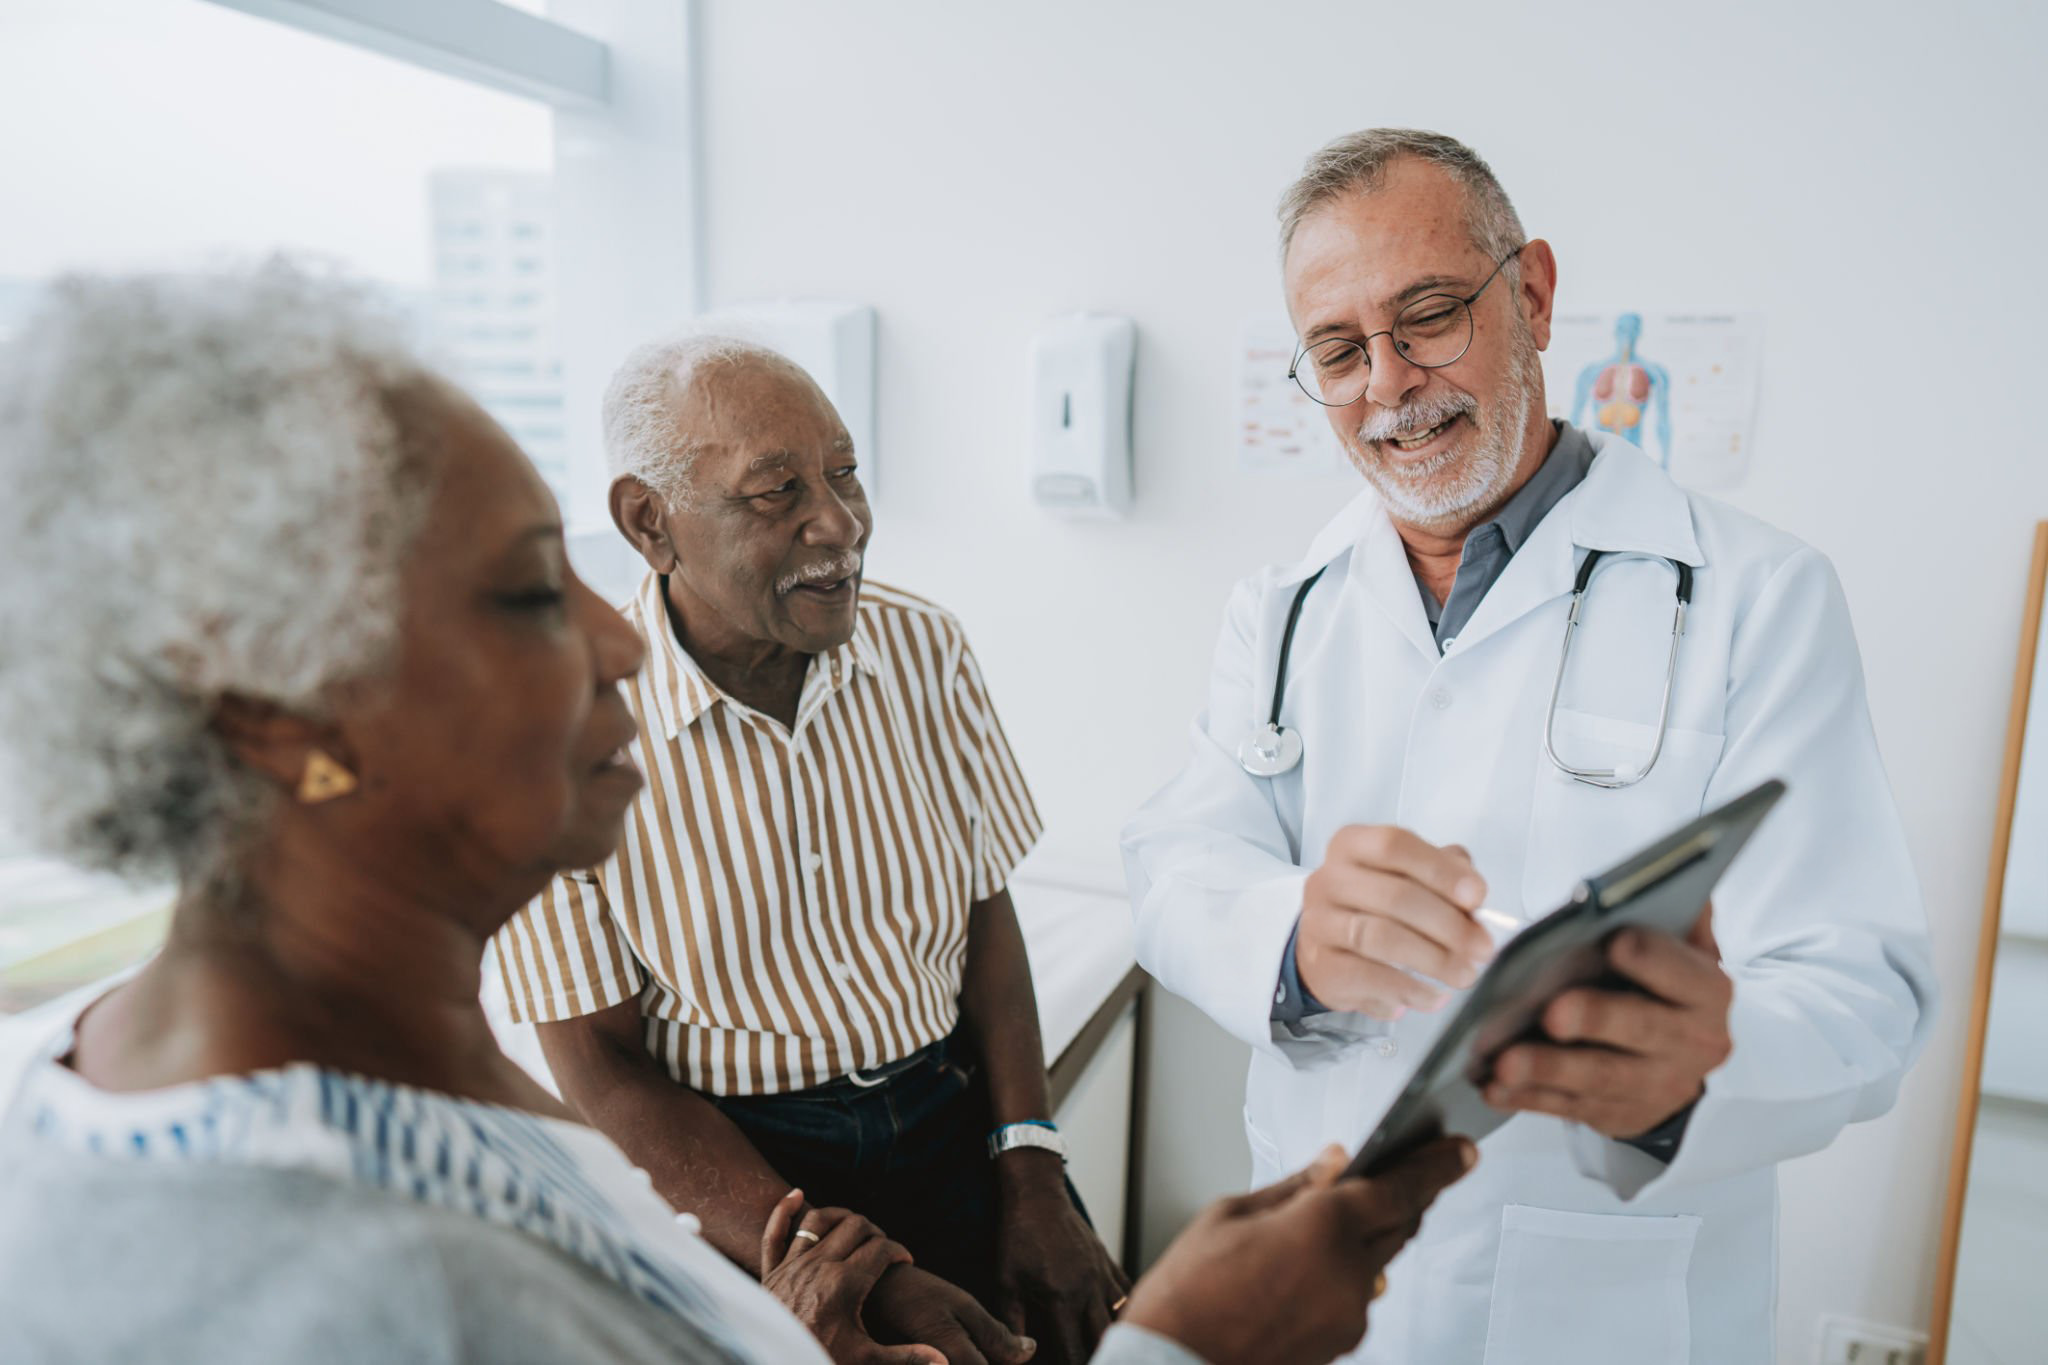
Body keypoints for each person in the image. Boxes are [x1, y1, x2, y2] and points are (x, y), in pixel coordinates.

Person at [0, 265, 1474, 1365]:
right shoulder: (362, 1287)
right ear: (281, 716)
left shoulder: (429, 1100)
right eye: (527, 591)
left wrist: (988, 1175)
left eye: (845, 477)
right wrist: (1198, 1346)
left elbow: (977, 910)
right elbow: (603, 1092)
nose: (618, 641)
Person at [1121, 129, 1938, 1365]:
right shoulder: (1282, 606)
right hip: (1321, 1274)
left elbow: (1862, 992)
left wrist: (1702, 1064)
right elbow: (1177, 864)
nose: (1388, 384)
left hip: (1600, 1302)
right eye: (1338, 351)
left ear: (1534, 295)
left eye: (1428, 315)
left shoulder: (1754, 596)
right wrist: (1291, 938)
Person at [493, 336, 1114, 1364]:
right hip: (733, 1171)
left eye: (844, 472)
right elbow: (599, 1068)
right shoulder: (551, 731)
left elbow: (983, 913)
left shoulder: (924, 650)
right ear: (649, 522)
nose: (841, 523)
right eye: (776, 492)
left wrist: (1031, 1169)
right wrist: (821, 1254)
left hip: (952, 1120)